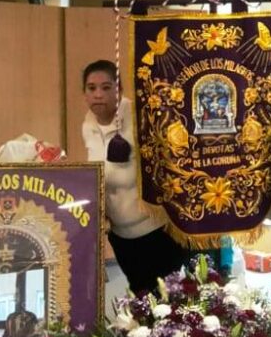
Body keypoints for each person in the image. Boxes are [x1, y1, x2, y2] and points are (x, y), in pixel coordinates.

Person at [81, 59, 192, 295]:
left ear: (119, 90)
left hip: (158, 232)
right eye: (91, 88)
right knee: (140, 296)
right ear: (85, 94)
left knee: (170, 300)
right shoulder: (88, 127)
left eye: (106, 87)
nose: (98, 94)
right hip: (121, 236)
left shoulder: (142, 120)